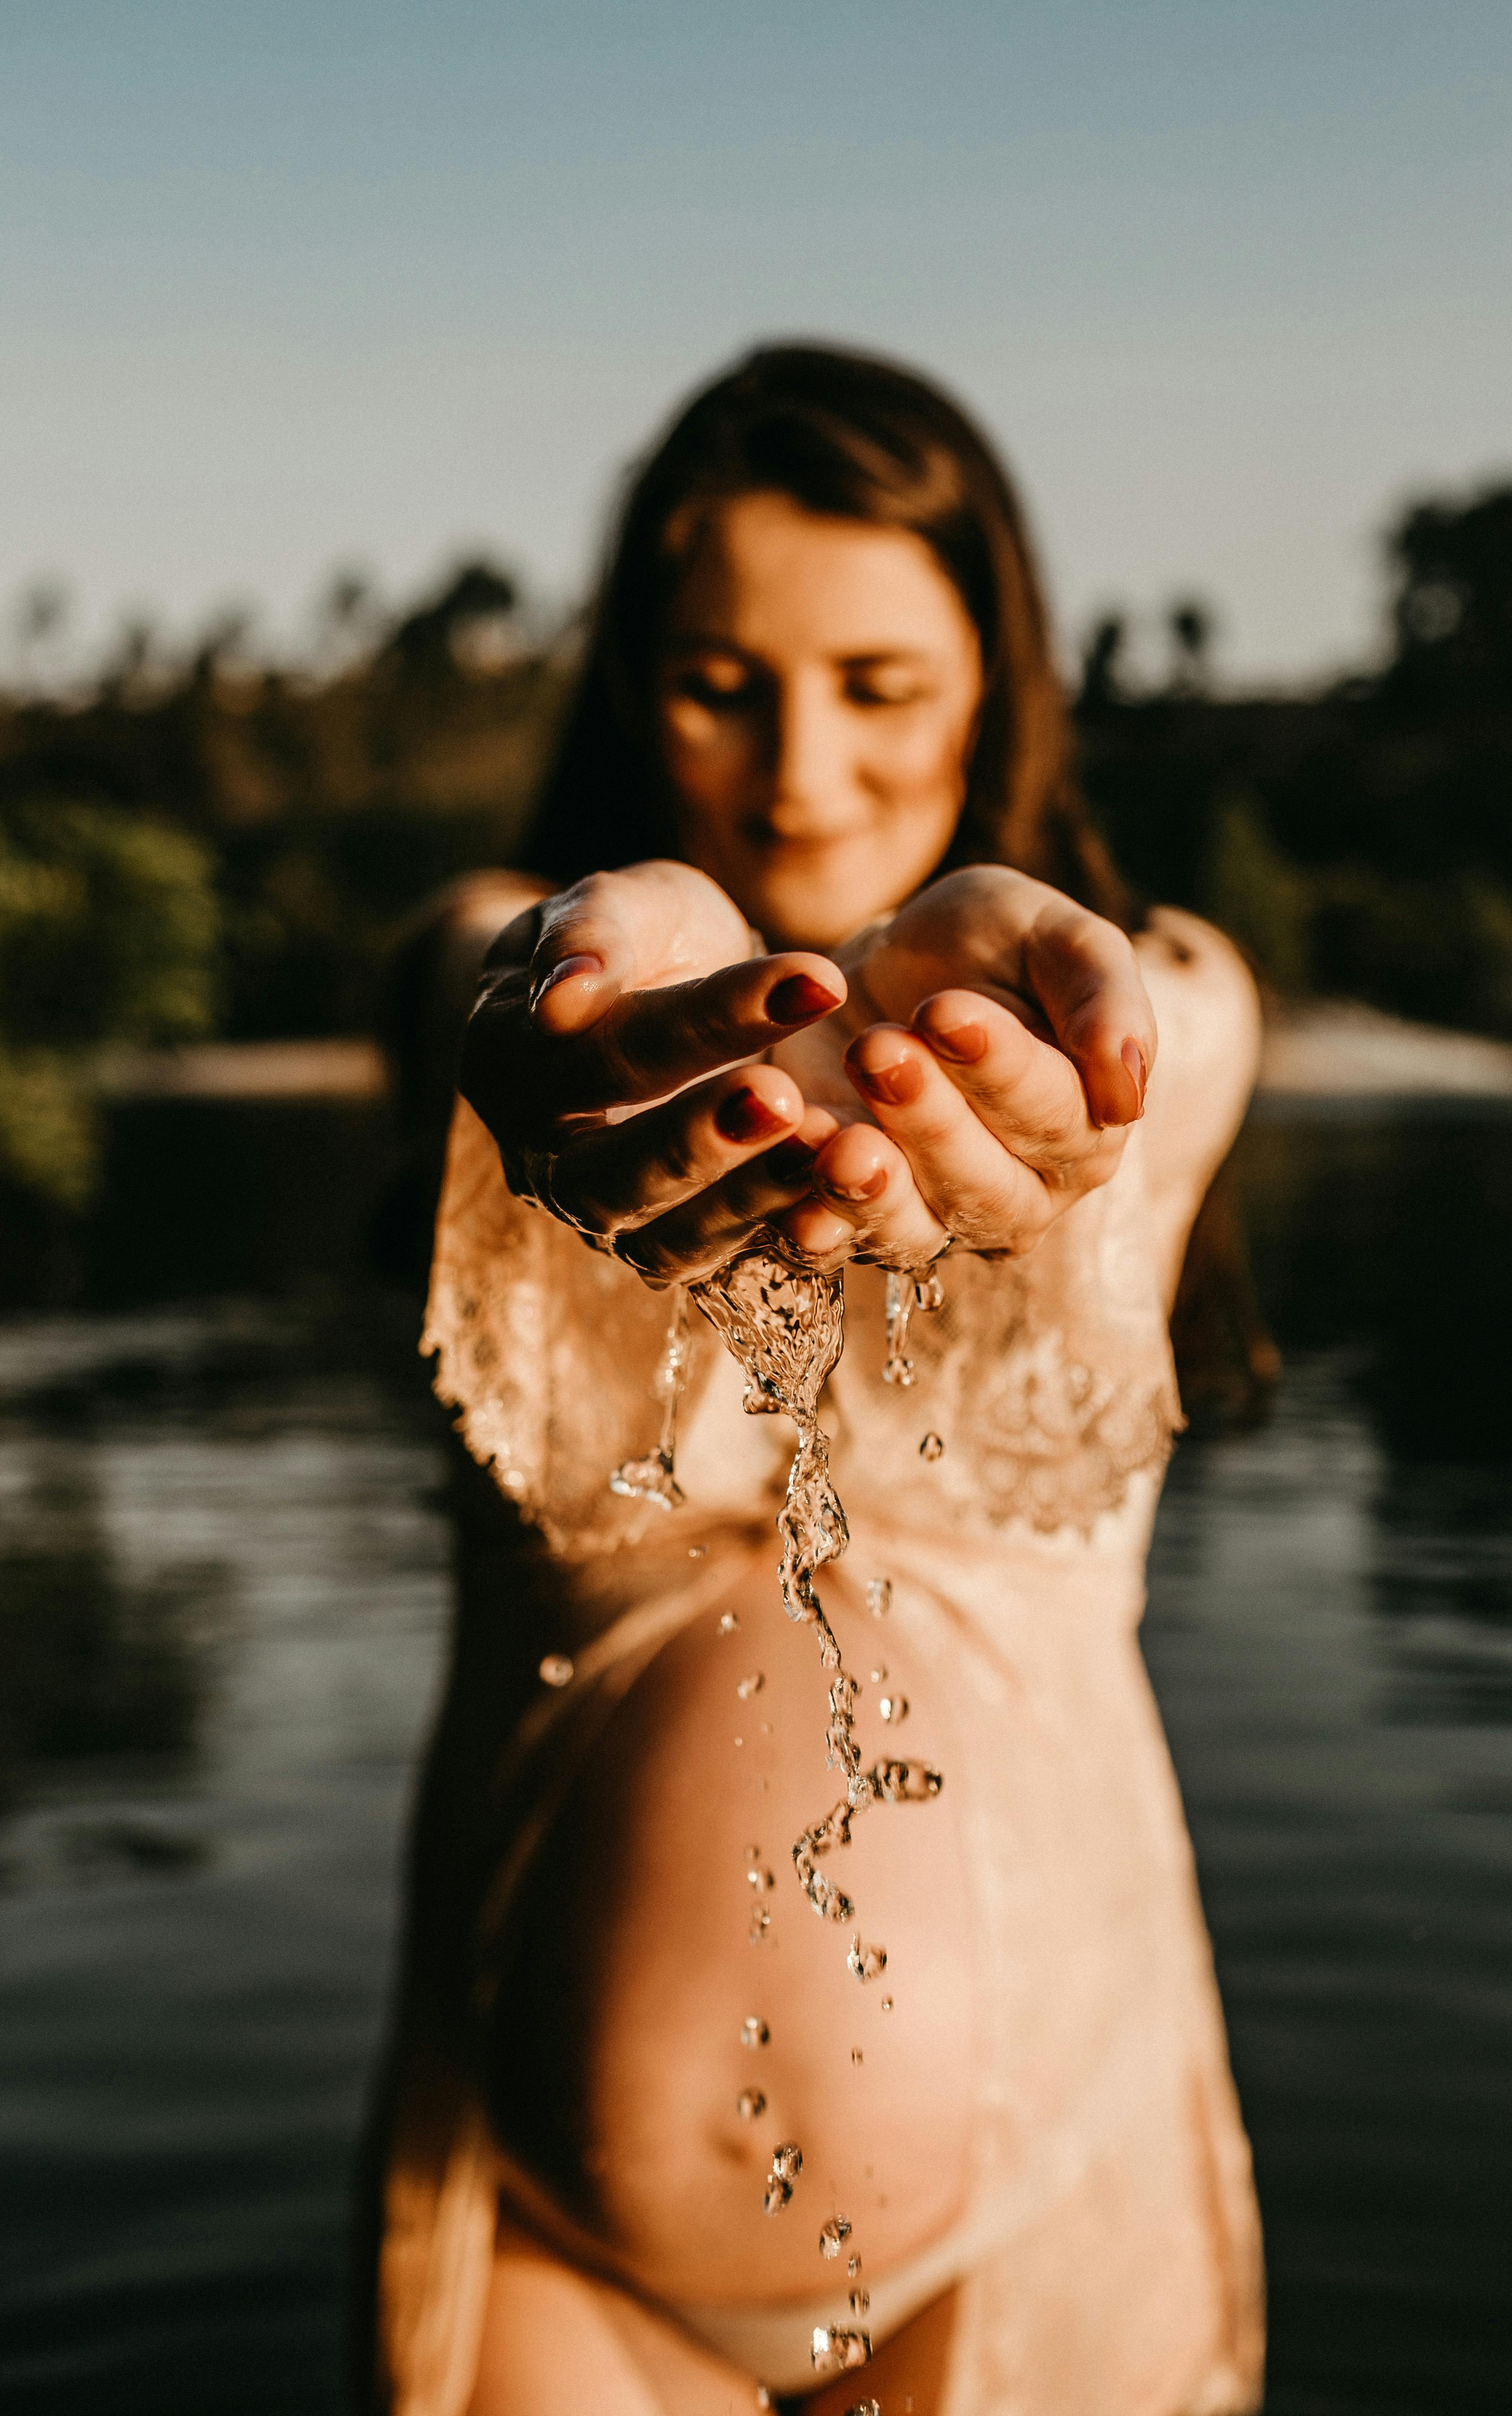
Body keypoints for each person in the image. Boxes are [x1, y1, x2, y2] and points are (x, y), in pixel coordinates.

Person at [358, 343, 1266, 2416]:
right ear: (626, 684)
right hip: (548, 2255)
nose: (794, 774)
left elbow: (1163, 1028)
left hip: (1050, 2207)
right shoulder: (500, 981)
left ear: (994, 681)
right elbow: (469, 964)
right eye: (716, 679)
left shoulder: (1166, 1016)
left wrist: (1064, 1048)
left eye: (879, 684)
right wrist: (582, 974)